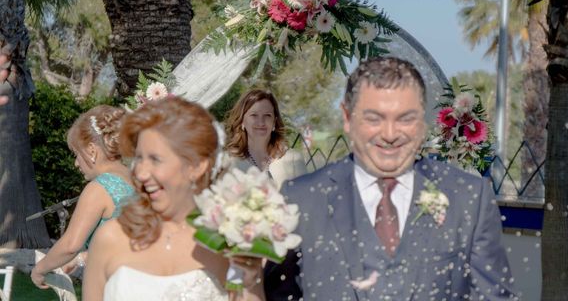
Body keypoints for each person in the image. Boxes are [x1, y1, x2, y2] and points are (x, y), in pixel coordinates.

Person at [264, 56, 517, 300]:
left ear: (421, 122)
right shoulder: (301, 198)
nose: (390, 134)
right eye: (374, 118)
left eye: (405, 118)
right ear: (348, 118)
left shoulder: (469, 198)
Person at [82, 96, 265, 301]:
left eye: (155, 159)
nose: (141, 173)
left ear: (197, 166)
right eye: (139, 158)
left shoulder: (227, 243)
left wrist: (251, 281)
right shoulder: (111, 238)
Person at [31, 105, 134, 288]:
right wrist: (81, 260)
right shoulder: (136, 180)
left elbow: (71, 244)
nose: (76, 163)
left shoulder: (99, 188)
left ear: (92, 151)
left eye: (76, 154)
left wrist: (40, 269)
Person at [225, 89, 306, 189]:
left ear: (274, 122)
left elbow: (306, 201)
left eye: (267, 115)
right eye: (254, 115)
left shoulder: (293, 159)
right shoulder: (228, 162)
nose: (261, 122)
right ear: (242, 121)